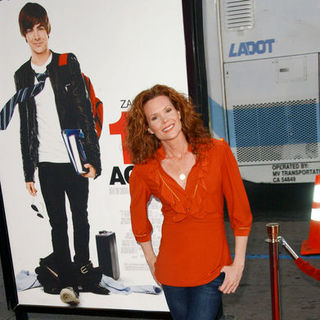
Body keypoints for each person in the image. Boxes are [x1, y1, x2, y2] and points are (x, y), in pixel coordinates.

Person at [126, 84, 253, 319]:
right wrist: (152, 260)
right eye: (154, 117)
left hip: (212, 267)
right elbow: (137, 215)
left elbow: (241, 212)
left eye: (167, 111)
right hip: (171, 271)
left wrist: (238, 264)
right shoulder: (145, 170)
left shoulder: (218, 152)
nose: (164, 121)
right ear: (149, 129)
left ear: (180, 112)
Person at [15, 2, 108, 305]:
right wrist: (29, 171)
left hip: (74, 158)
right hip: (46, 163)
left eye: (40, 28)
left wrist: (93, 160)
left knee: (81, 218)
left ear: (48, 29)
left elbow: (84, 112)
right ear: (24, 35)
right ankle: (68, 282)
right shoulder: (22, 75)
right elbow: (26, 125)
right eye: (30, 30)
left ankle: (83, 270)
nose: (36, 36)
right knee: (58, 223)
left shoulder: (67, 62)